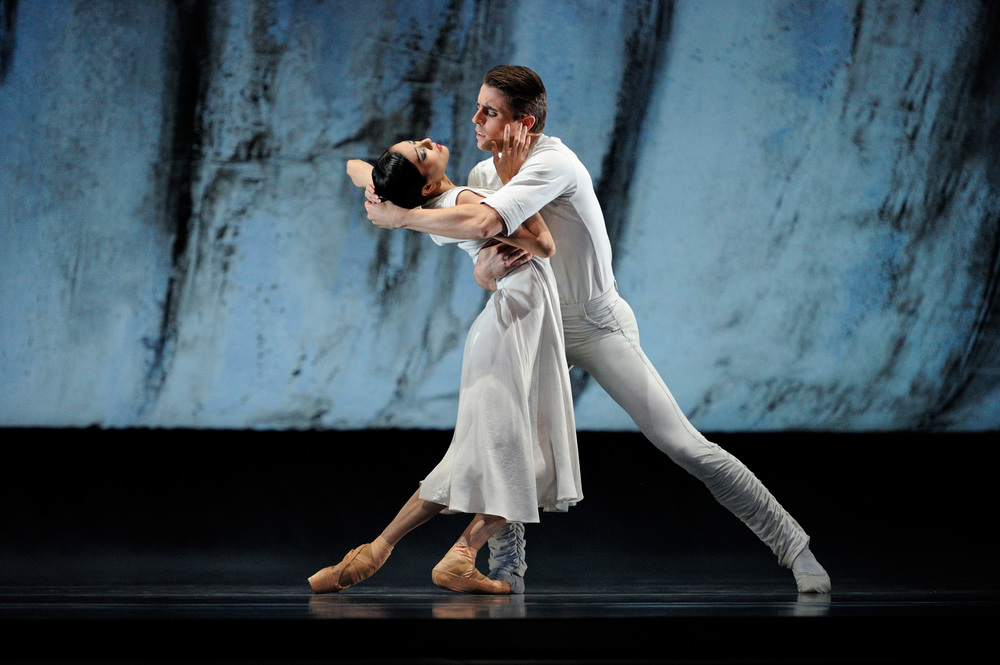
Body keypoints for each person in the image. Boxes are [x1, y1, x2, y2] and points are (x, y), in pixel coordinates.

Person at [364, 65, 832, 595]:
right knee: (505, 436)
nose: (474, 119)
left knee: (684, 445)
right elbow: (489, 257)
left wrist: (399, 218)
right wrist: (483, 274)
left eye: (489, 112)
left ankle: (794, 546)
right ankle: (505, 567)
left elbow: (484, 226)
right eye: (479, 107)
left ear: (526, 123)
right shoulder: (481, 177)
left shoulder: (553, 163)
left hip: (596, 326)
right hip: (537, 323)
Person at [308, 136, 583, 595]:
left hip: (509, 325)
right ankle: (459, 554)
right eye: (421, 153)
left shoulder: (433, 204)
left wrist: (388, 204)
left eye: (416, 143)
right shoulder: (461, 201)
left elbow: (357, 167)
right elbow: (543, 244)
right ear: (424, 184)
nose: (427, 142)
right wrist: (402, 213)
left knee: (471, 461)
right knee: (534, 464)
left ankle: (375, 551)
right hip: (513, 325)